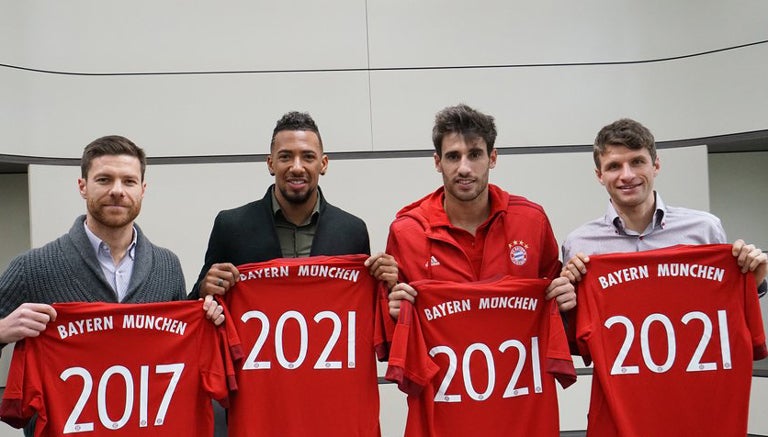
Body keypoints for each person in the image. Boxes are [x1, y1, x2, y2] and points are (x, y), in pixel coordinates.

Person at [0, 135, 224, 436]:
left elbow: (176, 344)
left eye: (129, 181)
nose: (117, 191)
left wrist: (204, 313)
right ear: (83, 186)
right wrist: (2, 330)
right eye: (104, 179)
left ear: (142, 189)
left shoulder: (167, 266)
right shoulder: (34, 267)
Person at [386, 103, 576, 318]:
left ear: (492, 158)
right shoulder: (407, 233)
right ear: (438, 162)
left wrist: (564, 300)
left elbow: (554, 305)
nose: (464, 168)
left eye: (475, 155)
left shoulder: (531, 221)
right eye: (453, 156)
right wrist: (393, 313)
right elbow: (393, 320)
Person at [191, 111, 397, 298]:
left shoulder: (352, 231)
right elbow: (194, 306)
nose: (297, 167)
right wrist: (204, 290)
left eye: (308, 157)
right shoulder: (231, 226)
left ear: (323, 164)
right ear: (271, 164)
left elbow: (364, 304)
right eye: (285, 157)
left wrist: (387, 285)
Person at [560, 118, 767, 296]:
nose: (627, 175)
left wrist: (753, 281)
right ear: (600, 175)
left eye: (637, 162)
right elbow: (574, 320)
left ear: (656, 166)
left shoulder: (704, 229)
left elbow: (725, 302)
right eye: (614, 166)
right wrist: (564, 302)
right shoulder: (579, 245)